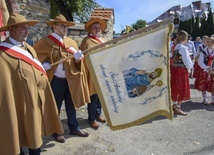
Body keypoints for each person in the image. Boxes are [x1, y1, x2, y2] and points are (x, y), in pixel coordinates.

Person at [0, 13, 64, 155]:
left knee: (35, 135)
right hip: (19, 102)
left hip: (36, 99)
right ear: (11, 30)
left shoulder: (29, 47)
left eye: (27, 28)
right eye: (23, 28)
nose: (27, 31)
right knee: (19, 135)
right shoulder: (2, 54)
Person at [33, 14, 90, 138]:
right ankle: (56, 131)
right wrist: (43, 64)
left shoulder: (71, 42)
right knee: (55, 106)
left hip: (70, 80)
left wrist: (78, 59)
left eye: (66, 26)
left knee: (71, 104)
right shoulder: (44, 42)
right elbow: (34, 59)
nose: (65, 28)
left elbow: (77, 62)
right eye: (63, 26)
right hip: (56, 81)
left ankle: (74, 127)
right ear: (55, 26)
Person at [80, 18, 107, 129]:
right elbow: (83, 57)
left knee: (100, 95)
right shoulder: (86, 40)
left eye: (99, 28)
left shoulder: (104, 40)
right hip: (92, 72)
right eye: (95, 28)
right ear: (90, 29)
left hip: (102, 71)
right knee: (93, 95)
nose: (97, 30)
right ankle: (91, 118)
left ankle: (98, 114)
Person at [171, 30, 193, 116]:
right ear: (185, 38)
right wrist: (190, 68)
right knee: (182, 88)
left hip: (174, 69)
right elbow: (187, 61)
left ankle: (174, 104)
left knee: (176, 87)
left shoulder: (175, 46)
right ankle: (178, 107)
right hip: (181, 70)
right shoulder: (183, 48)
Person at [194, 36, 214, 105]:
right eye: (208, 42)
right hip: (204, 70)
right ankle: (205, 99)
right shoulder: (203, 51)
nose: (209, 43)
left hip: (213, 71)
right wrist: (206, 68)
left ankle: (213, 99)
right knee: (203, 85)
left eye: (211, 42)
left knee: (212, 85)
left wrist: (213, 69)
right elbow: (200, 62)